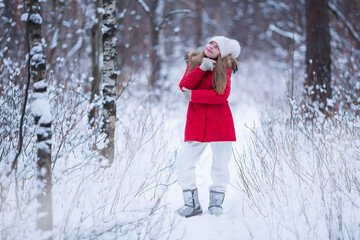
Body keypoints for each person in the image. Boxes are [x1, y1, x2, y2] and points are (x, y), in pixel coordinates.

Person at [177, 36, 241, 218]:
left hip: (220, 124)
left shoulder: (225, 68)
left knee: (220, 165)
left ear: (223, 52)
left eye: (217, 46)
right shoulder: (193, 63)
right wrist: (200, 69)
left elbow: (221, 95)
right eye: (210, 42)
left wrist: (194, 96)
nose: (211, 46)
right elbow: (184, 87)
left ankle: (216, 205)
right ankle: (192, 204)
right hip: (196, 123)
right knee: (184, 162)